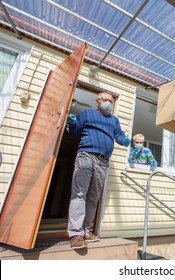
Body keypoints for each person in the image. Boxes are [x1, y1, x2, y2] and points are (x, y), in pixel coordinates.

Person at [66, 91, 130, 249]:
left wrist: (125, 140)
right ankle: (75, 234)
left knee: (93, 198)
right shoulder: (87, 113)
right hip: (86, 156)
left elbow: (119, 136)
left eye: (111, 101)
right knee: (79, 194)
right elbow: (72, 134)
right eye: (105, 100)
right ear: (97, 102)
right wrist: (72, 124)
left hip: (103, 162)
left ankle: (86, 230)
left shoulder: (114, 120)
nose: (109, 102)